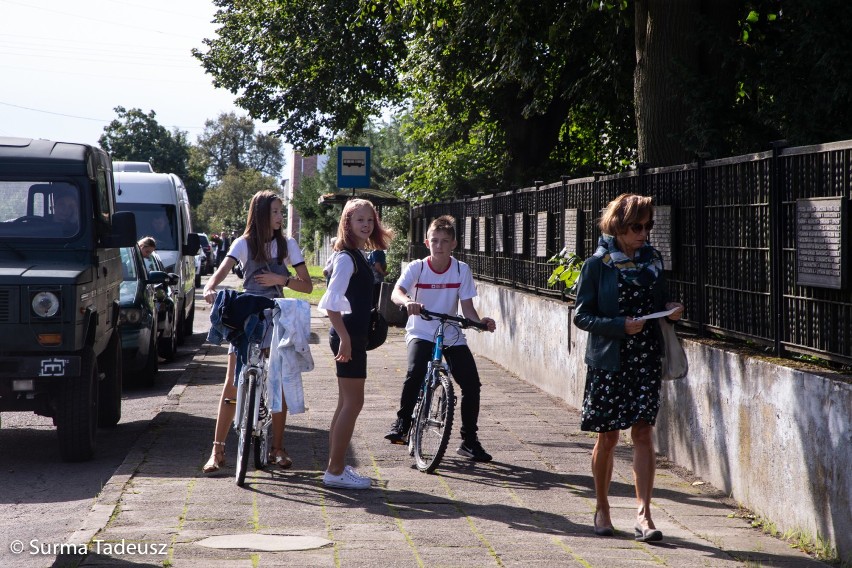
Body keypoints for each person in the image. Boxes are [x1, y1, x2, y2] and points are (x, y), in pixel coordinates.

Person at [572, 193, 684, 542]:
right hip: (609, 360)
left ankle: (644, 515)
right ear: (618, 226)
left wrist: (670, 309)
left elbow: (657, 302)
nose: (644, 233)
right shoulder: (597, 265)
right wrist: (619, 325)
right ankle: (602, 507)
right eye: (637, 226)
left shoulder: (654, 262)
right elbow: (582, 315)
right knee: (608, 436)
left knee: (643, 433)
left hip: (646, 357)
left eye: (648, 226)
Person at [201, 190, 313, 474]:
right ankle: (217, 450)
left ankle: (277, 448)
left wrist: (281, 278)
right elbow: (223, 269)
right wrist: (211, 286)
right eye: (275, 212)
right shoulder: (244, 243)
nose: (280, 217)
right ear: (261, 213)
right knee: (231, 382)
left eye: (280, 211)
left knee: (277, 380)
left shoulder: (287, 245)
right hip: (247, 316)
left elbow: (307, 285)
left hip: (275, 315)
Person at [386, 215, 497, 462]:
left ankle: (469, 441)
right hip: (421, 330)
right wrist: (408, 303)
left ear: (453, 244)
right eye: (434, 241)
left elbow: (467, 309)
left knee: (471, 384)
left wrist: (481, 324)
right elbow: (397, 292)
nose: (439, 246)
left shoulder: (461, 269)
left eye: (445, 241)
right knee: (415, 372)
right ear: (427, 243)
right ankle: (402, 424)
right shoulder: (418, 267)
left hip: (450, 332)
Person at [317, 198, 392, 489]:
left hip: (352, 336)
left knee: (345, 403)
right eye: (359, 220)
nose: (366, 225)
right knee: (353, 403)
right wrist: (346, 339)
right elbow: (331, 303)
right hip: (348, 336)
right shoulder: (348, 257)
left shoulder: (357, 254)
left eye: (370, 220)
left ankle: (334, 466)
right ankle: (335, 472)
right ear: (347, 223)